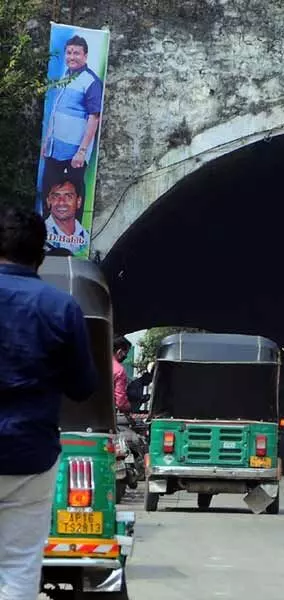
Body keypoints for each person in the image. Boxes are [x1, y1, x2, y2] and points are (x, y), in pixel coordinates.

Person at [0, 206, 97, 600]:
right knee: (19, 564)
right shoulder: (62, 308)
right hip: (30, 455)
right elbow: (82, 387)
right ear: (41, 256)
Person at [40, 35, 104, 194]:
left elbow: (94, 117)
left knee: (72, 200)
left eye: (76, 53)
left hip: (73, 156)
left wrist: (81, 152)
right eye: (69, 53)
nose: (71, 57)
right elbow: (55, 112)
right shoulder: (65, 76)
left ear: (85, 56)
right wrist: (47, 142)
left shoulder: (91, 82)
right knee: (48, 195)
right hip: (54, 151)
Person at [42, 176, 89, 255]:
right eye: (56, 197)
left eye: (68, 197)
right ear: (48, 201)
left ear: (78, 201)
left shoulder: (86, 237)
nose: (61, 202)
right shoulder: (40, 234)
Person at [112, 336, 132, 413]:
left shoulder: (95, 363)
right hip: (106, 416)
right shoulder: (119, 370)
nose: (125, 357)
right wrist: (130, 407)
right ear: (119, 352)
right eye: (126, 354)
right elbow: (121, 403)